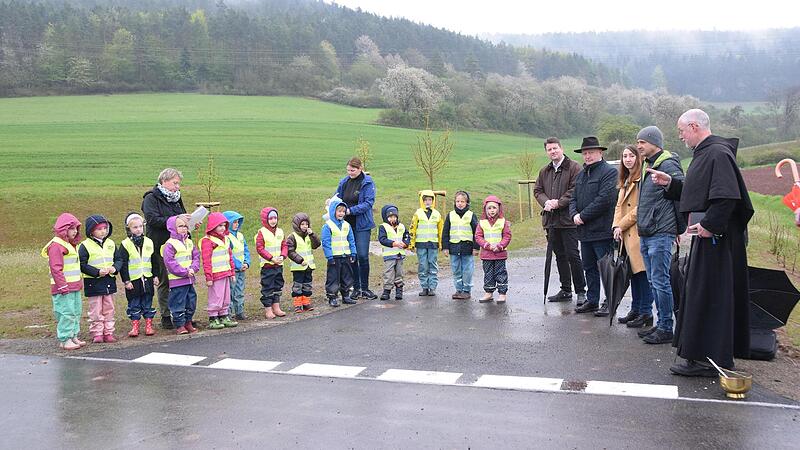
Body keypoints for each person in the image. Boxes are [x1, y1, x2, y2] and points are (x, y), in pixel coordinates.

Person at [647, 108, 753, 376]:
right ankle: (701, 355)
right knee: (700, 294)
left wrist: (709, 225)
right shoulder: (705, 153)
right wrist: (670, 183)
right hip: (708, 237)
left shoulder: (717, 153)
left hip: (717, 241)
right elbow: (700, 194)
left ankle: (710, 361)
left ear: (694, 126)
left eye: (682, 131)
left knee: (711, 297)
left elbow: (727, 197)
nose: (681, 136)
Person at [634, 126, 686, 344]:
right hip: (647, 232)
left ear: (655, 143)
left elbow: (682, 190)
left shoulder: (668, 164)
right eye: (638, 142)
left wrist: (677, 228)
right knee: (653, 280)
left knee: (660, 281)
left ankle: (666, 327)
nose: (638, 146)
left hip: (660, 232)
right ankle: (661, 322)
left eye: (642, 142)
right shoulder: (650, 165)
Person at [534, 137, 587, 304]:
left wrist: (559, 203)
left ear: (561, 148)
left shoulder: (574, 168)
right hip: (551, 221)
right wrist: (546, 202)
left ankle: (581, 291)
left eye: (555, 148)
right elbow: (538, 190)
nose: (553, 152)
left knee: (573, 255)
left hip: (568, 220)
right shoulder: (544, 171)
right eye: (549, 149)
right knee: (560, 256)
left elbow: (575, 189)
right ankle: (565, 289)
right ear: (546, 152)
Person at [569, 136, 618, 314]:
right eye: (585, 153)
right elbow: (573, 198)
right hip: (584, 232)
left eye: (591, 152)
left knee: (606, 268)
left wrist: (583, 216)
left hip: (602, 231)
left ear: (600, 152)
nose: (587, 156)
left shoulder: (609, 172)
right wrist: (574, 214)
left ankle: (610, 301)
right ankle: (592, 300)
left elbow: (605, 199)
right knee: (589, 267)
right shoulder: (581, 174)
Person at [611, 145, 654, 331]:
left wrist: (621, 225)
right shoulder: (625, 179)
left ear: (638, 158)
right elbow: (618, 206)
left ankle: (646, 312)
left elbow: (640, 208)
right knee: (633, 274)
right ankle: (635, 309)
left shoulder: (641, 178)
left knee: (642, 274)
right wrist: (616, 226)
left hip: (637, 232)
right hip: (625, 234)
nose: (628, 159)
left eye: (631, 156)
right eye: (625, 156)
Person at [142, 168, 188, 329]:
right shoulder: (151, 198)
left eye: (178, 184)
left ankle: (181, 314)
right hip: (161, 244)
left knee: (181, 280)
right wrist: (176, 220)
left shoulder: (177, 198)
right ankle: (166, 315)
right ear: (164, 181)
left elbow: (181, 217)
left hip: (180, 246)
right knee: (165, 280)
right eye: (175, 183)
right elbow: (152, 219)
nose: (177, 187)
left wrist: (189, 223)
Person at [334, 157, 377, 301]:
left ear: (360, 169)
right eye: (348, 170)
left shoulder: (367, 183)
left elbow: (368, 203)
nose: (350, 173)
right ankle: (356, 288)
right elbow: (338, 198)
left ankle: (365, 288)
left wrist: (350, 211)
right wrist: (331, 202)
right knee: (352, 256)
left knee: (362, 256)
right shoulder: (344, 182)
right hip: (346, 225)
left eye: (352, 170)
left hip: (362, 225)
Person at [42, 213, 86, 350]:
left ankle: (73, 335)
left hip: (74, 286)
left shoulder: (70, 244)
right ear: (63, 229)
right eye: (71, 228)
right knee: (65, 313)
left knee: (75, 312)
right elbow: (56, 268)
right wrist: (62, 286)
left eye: (76, 228)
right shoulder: (56, 245)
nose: (75, 231)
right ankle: (65, 339)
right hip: (63, 288)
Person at [78, 215, 122, 343]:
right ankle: (97, 333)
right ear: (91, 231)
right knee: (96, 309)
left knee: (109, 308)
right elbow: (82, 264)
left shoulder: (111, 243)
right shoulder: (85, 246)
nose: (103, 231)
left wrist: (115, 268)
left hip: (109, 281)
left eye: (105, 228)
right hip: (93, 283)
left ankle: (108, 332)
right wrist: (97, 272)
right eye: (99, 229)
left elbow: (119, 259)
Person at [119, 212, 158, 338]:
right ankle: (135, 326)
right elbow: (123, 264)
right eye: (135, 227)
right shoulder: (125, 244)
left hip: (147, 277)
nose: (138, 229)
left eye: (140, 226)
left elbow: (154, 260)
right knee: (134, 304)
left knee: (148, 302)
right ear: (129, 228)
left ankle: (149, 325)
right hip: (133, 280)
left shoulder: (149, 242)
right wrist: (126, 280)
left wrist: (155, 275)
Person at [161, 215, 200, 335]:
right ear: (173, 228)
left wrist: (193, 268)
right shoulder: (170, 244)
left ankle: (188, 321)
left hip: (190, 279)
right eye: (180, 226)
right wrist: (184, 272)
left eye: (185, 226)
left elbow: (196, 257)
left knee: (191, 301)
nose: (183, 228)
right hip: (177, 281)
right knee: (178, 303)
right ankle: (179, 324)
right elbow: (170, 262)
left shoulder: (189, 242)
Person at [200, 212, 238, 330]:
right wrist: (209, 277)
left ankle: (224, 315)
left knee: (226, 296)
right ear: (213, 226)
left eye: (224, 225)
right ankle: (213, 317)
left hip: (226, 273)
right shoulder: (207, 241)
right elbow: (206, 260)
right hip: (215, 275)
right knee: (216, 296)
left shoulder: (226, 239)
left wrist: (232, 272)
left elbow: (229, 256)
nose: (222, 228)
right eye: (219, 226)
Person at [442, 191, 479, 300]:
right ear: (455, 202)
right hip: (454, 248)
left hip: (467, 248)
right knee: (456, 270)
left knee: (467, 270)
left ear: (467, 203)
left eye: (462, 201)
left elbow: (477, 232)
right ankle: (459, 289)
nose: (460, 203)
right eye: (458, 201)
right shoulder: (450, 215)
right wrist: (445, 247)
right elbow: (445, 232)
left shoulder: (471, 215)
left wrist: (476, 247)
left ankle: (466, 290)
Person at [475, 195, 512, 303]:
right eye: (489, 208)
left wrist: (500, 246)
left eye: (494, 208)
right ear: (485, 210)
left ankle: (502, 293)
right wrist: (487, 245)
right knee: (488, 274)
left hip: (500, 254)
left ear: (499, 209)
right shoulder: (482, 223)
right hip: (486, 254)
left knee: (501, 273)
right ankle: (489, 292)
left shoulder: (503, 222)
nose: (492, 210)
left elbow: (507, 236)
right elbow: (478, 236)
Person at [322, 197, 358, 307]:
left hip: (346, 255)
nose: (341, 213)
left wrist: (353, 253)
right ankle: (332, 297)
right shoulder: (328, 226)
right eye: (339, 211)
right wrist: (329, 256)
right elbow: (326, 243)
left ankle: (346, 295)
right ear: (333, 211)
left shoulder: (347, 225)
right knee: (333, 278)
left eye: (343, 211)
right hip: (334, 257)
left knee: (346, 276)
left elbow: (351, 240)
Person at [255, 207, 288, 319]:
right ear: (265, 219)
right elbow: (260, 248)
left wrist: (283, 256)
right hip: (267, 266)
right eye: (270, 218)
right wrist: (271, 258)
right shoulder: (262, 232)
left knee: (278, 285)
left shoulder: (280, 231)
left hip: (279, 265)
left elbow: (284, 245)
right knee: (268, 287)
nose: (273, 220)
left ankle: (276, 307)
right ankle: (268, 309)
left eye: (275, 218)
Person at [410, 190, 444, 296]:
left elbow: (440, 230)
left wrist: (441, 243)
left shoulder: (437, 214)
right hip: (421, 244)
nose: (428, 202)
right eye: (425, 200)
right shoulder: (418, 213)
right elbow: (412, 228)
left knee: (432, 264)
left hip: (433, 244)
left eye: (430, 200)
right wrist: (411, 243)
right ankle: (424, 287)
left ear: (433, 201)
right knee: (423, 265)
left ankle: (432, 287)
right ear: (422, 201)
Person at [286, 212, 321, 313]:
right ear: (297, 225)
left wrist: (312, 235)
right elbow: (290, 251)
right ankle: (298, 303)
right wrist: (300, 260)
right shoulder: (292, 237)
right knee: (298, 285)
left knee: (307, 284)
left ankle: (306, 302)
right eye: (302, 224)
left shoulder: (309, 235)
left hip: (309, 266)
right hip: (298, 267)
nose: (305, 226)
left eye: (306, 224)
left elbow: (316, 245)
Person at [377, 204, 411, 301]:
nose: (393, 219)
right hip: (389, 255)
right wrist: (393, 243)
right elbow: (382, 239)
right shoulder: (383, 227)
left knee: (399, 273)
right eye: (390, 217)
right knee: (388, 273)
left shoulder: (401, 226)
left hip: (400, 255)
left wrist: (405, 243)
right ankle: (387, 291)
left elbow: (407, 236)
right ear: (386, 217)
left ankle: (399, 290)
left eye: (394, 217)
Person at [223, 210, 250, 321]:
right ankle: (228, 313)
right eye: (234, 222)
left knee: (240, 290)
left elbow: (246, 250)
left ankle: (239, 311)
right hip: (232, 269)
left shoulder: (240, 235)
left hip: (242, 268)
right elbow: (228, 254)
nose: (237, 224)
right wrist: (238, 265)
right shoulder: (226, 237)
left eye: (238, 222)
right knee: (230, 291)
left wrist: (247, 262)